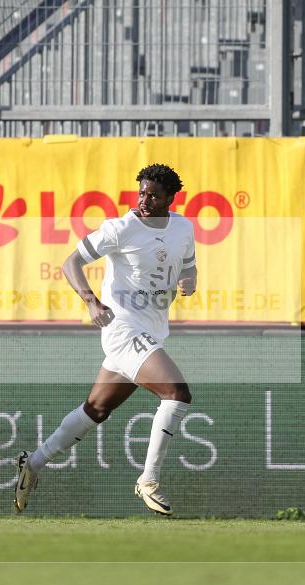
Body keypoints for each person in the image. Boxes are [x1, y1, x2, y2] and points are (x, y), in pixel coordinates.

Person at [15, 164, 197, 516]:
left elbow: (189, 266)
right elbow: (71, 263)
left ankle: (32, 463)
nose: (144, 201)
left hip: (152, 331)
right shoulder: (121, 228)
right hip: (123, 329)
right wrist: (91, 302)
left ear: (170, 198)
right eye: (142, 193)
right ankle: (148, 480)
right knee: (176, 393)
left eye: (153, 196)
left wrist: (189, 279)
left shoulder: (183, 228)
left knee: (96, 409)